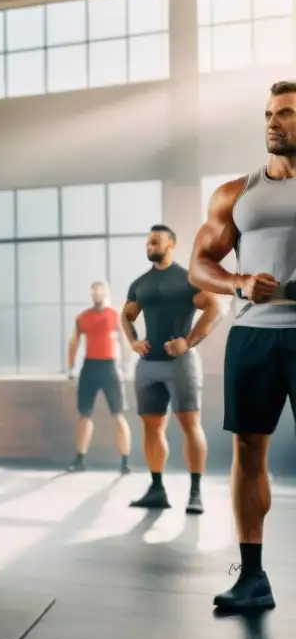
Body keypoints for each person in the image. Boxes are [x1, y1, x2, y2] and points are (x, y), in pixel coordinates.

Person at [190, 80, 296, 612]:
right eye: (269, 114)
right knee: (248, 451)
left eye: (286, 113)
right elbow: (200, 264)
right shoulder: (237, 193)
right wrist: (238, 283)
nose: (273, 123)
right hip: (253, 335)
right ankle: (252, 577)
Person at [120, 225, 222, 513]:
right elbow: (125, 316)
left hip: (181, 365)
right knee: (152, 428)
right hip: (148, 366)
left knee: (190, 427)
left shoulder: (187, 279)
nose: (150, 245)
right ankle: (156, 489)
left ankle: (195, 492)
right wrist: (133, 341)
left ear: (171, 244)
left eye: (155, 240)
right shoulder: (140, 283)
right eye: (148, 241)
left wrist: (188, 342)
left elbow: (216, 307)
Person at [66, 280, 132, 473]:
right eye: (94, 291)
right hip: (90, 367)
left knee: (118, 415)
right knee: (84, 415)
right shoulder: (83, 317)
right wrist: (70, 368)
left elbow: (125, 340)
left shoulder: (115, 315)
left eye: (100, 291)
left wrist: (126, 365)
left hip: (110, 368)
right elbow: (73, 343)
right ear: (91, 294)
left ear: (107, 293)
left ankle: (125, 462)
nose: (97, 294)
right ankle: (80, 460)